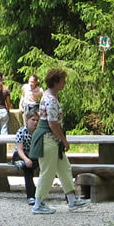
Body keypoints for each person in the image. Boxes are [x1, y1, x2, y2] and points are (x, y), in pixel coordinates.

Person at [28, 68, 88, 214]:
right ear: (55, 82)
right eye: (63, 81)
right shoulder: (51, 100)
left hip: (53, 140)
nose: (64, 83)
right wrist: (64, 140)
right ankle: (38, 204)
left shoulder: (49, 96)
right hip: (48, 140)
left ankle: (72, 200)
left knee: (64, 168)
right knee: (47, 172)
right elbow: (52, 123)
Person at [12, 110, 40, 205]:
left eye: (37, 120)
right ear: (27, 120)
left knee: (29, 167)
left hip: (33, 155)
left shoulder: (38, 132)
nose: (35, 122)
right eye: (33, 120)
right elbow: (19, 150)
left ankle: (33, 195)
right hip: (21, 154)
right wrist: (26, 159)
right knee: (28, 169)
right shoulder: (21, 131)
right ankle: (31, 196)